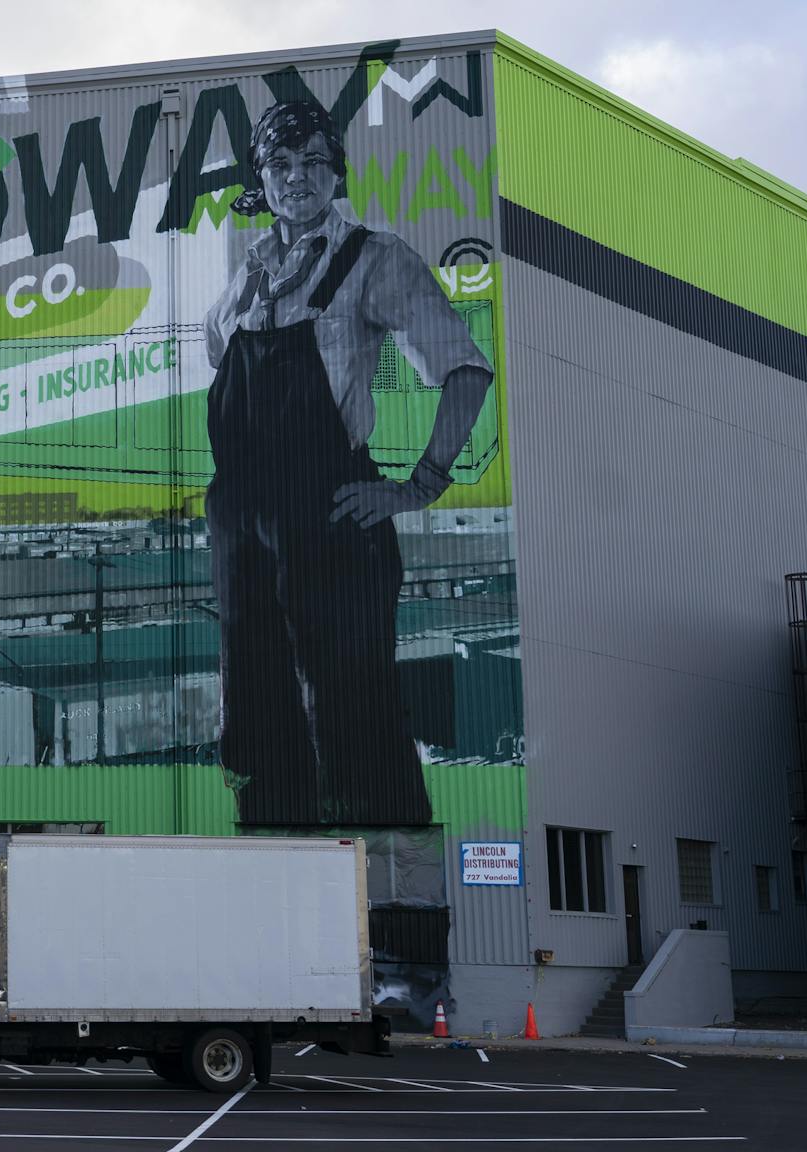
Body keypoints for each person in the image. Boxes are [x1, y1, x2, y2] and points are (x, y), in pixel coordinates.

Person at [203, 100, 493, 826]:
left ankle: (396, 914)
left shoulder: (375, 256)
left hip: (333, 512)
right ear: (260, 178)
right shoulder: (240, 285)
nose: (295, 179)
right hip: (243, 524)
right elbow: (225, 378)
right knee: (257, 707)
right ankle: (273, 889)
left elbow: (464, 368)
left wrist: (419, 485)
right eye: (279, 165)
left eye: (311, 164)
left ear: (336, 172)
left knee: (354, 709)